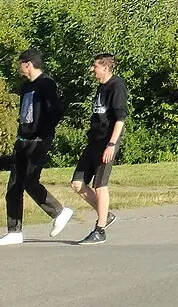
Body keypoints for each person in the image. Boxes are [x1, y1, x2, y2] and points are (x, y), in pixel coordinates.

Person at [3, 51, 73, 245]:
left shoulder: (46, 83)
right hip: (23, 140)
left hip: (39, 140)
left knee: (30, 181)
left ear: (28, 64)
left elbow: (55, 111)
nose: (18, 68)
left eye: (20, 64)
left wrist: (42, 133)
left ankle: (59, 212)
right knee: (14, 186)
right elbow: (25, 115)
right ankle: (14, 231)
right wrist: (20, 135)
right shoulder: (26, 87)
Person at [70, 54, 129, 246]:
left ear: (105, 67)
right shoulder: (101, 87)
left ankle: (100, 230)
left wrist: (111, 144)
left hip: (106, 143)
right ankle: (106, 215)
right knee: (77, 184)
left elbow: (120, 119)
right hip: (93, 142)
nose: (91, 69)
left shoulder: (116, 86)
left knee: (100, 185)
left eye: (94, 66)